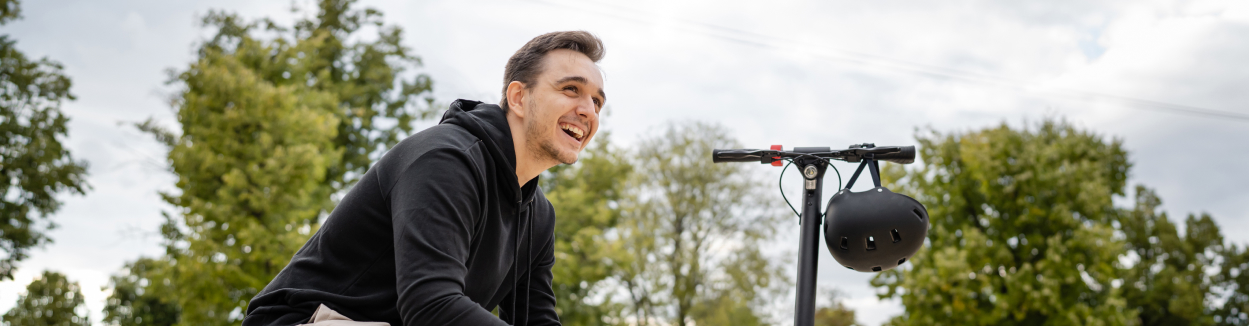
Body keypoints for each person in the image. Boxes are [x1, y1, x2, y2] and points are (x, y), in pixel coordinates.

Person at [241, 31, 606, 326]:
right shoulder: (446, 159)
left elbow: (535, 318)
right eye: (570, 89)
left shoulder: (538, 215)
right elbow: (431, 305)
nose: (587, 110)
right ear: (518, 98)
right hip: (306, 319)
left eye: (597, 102)